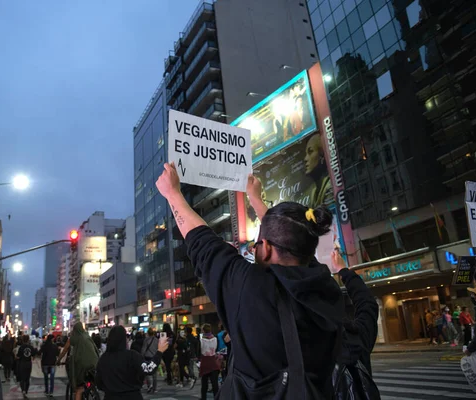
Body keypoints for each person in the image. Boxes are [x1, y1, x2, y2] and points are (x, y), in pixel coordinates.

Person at [155, 164, 345, 397]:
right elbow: (294, 241)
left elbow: (203, 244)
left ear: (264, 249)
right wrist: (256, 201)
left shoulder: (253, 287)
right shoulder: (327, 288)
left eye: (257, 244)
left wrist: (172, 193)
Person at [96, 325, 168, 400]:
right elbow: (149, 368)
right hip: (132, 395)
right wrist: (159, 352)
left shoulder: (103, 359)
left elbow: (99, 382)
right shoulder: (132, 356)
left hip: (111, 396)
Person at [58, 323, 99, 400]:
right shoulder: (87, 336)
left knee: (79, 388)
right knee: (91, 381)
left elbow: (64, 351)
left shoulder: (74, 338)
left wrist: (58, 360)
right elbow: (95, 348)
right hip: (94, 363)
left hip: (82, 365)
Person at [304, 133, 333, 208]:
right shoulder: (314, 193)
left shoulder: (330, 186)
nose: (305, 159)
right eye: (306, 153)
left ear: (322, 155)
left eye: (310, 152)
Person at [199, 324, 221, 399]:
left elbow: (199, 351)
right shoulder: (215, 338)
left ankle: (203, 398)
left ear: (203, 330)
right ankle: (217, 398)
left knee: (204, 384)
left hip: (205, 362)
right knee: (215, 384)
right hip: (213, 362)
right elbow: (216, 348)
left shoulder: (201, 340)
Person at [141, 329, 159, 393]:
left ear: (148, 333)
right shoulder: (157, 340)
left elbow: (144, 349)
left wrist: (141, 355)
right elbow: (158, 349)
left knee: (147, 372)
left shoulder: (146, 340)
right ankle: (155, 388)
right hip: (155, 357)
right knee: (154, 373)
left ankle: (149, 385)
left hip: (147, 357)